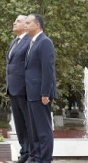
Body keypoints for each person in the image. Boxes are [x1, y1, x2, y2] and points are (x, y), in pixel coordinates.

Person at [24, 14, 57, 163]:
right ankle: (36, 157)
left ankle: (45, 159)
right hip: (31, 93)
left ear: (37, 25)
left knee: (43, 131)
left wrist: (45, 93)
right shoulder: (32, 42)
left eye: (28, 23)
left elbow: (48, 69)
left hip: (40, 94)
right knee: (34, 130)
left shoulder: (45, 42)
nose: (25, 25)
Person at [6, 15, 31, 163]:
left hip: (25, 89)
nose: (14, 23)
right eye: (14, 20)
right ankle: (24, 152)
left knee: (28, 124)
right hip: (13, 89)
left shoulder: (29, 42)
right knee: (19, 124)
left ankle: (32, 154)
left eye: (18, 21)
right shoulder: (14, 42)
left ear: (26, 25)